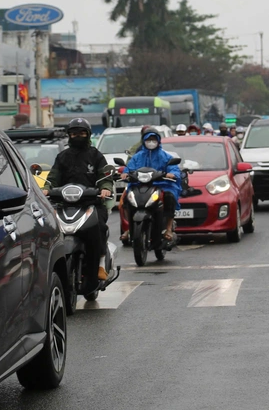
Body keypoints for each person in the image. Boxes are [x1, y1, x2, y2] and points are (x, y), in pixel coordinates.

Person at [45, 118, 113, 290]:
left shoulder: (96, 155)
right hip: (65, 204)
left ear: (88, 134)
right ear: (69, 135)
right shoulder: (62, 157)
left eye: (82, 133)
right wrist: (46, 189)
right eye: (74, 133)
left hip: (92, 203)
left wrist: (105, 188)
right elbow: (52, 178)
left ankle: (100, 264)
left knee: (99, 226)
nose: (78, 136)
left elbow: (105, 177)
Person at [123, 127, 182, 243]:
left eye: (153, 140)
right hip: (140, 185)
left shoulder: (165, 156)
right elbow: (129, 168)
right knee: (126, 198)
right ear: (144, 141)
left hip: (161, 185)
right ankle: (130, 228)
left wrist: (172, 174)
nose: (151, 142)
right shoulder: (137, 156)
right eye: (148, 140)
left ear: (158, 141)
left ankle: (168, 228)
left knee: (169, 196)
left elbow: (174, 168)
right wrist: (125, 173)